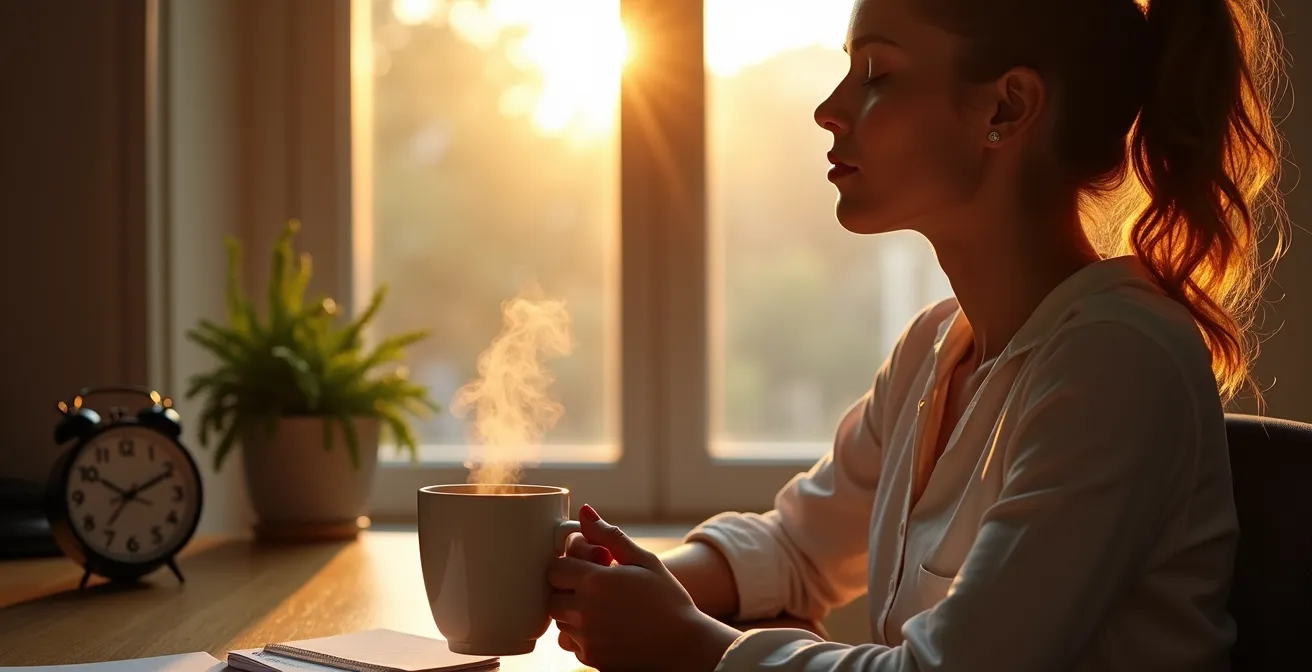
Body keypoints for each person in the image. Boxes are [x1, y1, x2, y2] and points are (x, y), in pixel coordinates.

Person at [545, 0, 1287, 668]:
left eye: (876, 73)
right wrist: (627, 580)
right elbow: (799, 547)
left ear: (1008, 104)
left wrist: (692, 645)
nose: (829, 110)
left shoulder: (1118, 363)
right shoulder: (937, 348)